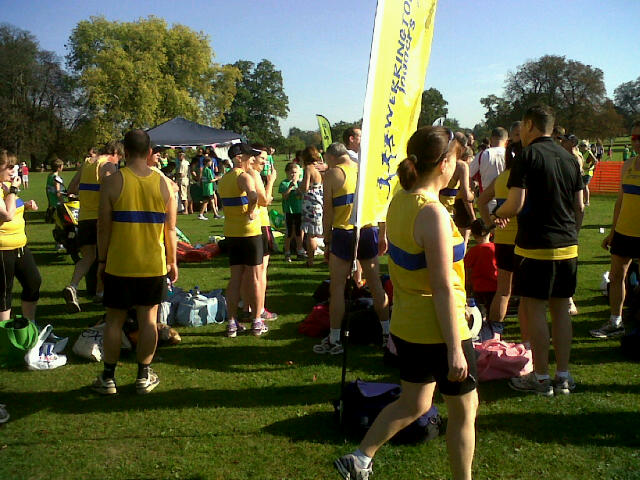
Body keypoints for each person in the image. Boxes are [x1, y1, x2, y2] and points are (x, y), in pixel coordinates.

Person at [334, 127, 477, 480]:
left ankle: (360, 458)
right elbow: (442, 286)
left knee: (415, 402)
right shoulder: (432, 213)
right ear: (444, 163)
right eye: (456, 158)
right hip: (439, 329)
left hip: (408, 325)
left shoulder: (400, 199)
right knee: (464, 412)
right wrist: (455, 349)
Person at [495, 105, 583, 396]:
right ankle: (563, 376)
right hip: (567, 244)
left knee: (534, 309)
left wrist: (496, 213)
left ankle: (541, 378)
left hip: (535, 246)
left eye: (522, 127)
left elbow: (515, 204)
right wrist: (572, 233)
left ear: (530, 125)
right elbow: (580, 205)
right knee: (561, 310)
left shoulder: (527, 155)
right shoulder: (569, 158)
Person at [91, 129, 177, 395]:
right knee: (149, 321)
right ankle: (143, 375)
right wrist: (173, 261)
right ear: (149, 152)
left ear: (125, 152)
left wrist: (101, 262)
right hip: (152, 265)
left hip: (119, 264)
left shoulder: (112, 182)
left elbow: (103, 227)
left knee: (114, 321)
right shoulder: (164, 184)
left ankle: (108, 378)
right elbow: (170, 229)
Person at [313, 142, 390, 355]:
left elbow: (328, 211)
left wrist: (327, 240)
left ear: (331, 157)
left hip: (343, 232)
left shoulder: (332, 174)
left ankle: (335, 337)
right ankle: (387, 333)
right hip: (368, 230)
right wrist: (383, 234)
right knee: (376, 284)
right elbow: (380, 206)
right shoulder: (365, 172)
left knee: (337, 288)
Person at [63, 141, 123, 311]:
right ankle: (100, 293)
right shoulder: (108, 165)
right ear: (115, 153)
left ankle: (73, 286)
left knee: (88, 257)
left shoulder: (87, 164)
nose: (118, 162)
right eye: (119, 158)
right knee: (105, 257)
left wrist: (84, 194)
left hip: (83, 218)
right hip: (101, 218)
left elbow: (71, 188)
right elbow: (111, 191)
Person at [594, 121, 640, 338]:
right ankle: (615, 321)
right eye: (634, 138)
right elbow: (620, 201)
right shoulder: (628, 165)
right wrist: (613, 232)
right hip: (623, 232)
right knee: (616, 276)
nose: (636, 142)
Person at [478, 137, 525, 341]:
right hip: (524, 241)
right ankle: (528, 339)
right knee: (527, 295)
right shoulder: (527, 178)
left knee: (503, 290)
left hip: (503, 239)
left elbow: (481, 201)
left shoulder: (501, 178)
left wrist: (490, 223)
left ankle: (494, 333)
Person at [218, 143, 267, 338]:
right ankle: (257, 320)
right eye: (249, 156)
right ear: (239, 158)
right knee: (254, 277)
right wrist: (252, 211)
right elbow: (253, 195)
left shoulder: (224, 179)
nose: (252, 159)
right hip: (249, 233)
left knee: (235, 278)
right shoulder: (244, 176)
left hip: (231, 232)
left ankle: (231, 322)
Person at [0, 150, 41, 322]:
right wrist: (14, 190)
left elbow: (11, 206)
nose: (13, 171)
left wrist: (24, 204)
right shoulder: (8, 188)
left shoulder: (6, 186)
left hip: (20, 246)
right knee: (4, 293)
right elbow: (7, 215)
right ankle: (4, 333)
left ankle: (29, 325)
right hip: (3, 249)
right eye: (9, 167)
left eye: (14, 167)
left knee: (33, 282)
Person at [239, 144, 278, 322]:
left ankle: (247, 306)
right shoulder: (253, 174)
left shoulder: (243, 174)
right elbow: (264, 200)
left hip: (248, 225)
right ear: (253, 158)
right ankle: (259, 309)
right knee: (260, 272)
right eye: (262, 158)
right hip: (261, 225)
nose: (264, 162)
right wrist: (271, 182)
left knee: (248, 271)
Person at [464, 219, 497, 323]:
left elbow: (468, 273)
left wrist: (467, 290)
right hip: (495, 286)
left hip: (478, 288)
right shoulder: (496, 249)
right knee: (494, 312)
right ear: (490, 233)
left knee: (479, 314)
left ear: (473, 235)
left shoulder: (472, 251)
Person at [299, 146, 324, 266]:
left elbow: (305, 187)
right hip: (319, 200)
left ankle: (310, 260)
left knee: (311, 233)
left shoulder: (309, 168)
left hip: (310, 203)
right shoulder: (320, 167)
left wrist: (298, 188)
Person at [468, 127, 508, 196]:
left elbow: (468, 174)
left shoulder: (482, 154)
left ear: (491, 139)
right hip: (507, 198)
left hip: (486, 198)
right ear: (506, 142)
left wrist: (473, 190)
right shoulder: (512, 155)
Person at [279, 162, 305, 262]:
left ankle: (300, 250)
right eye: (291, 173)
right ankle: (287, 251)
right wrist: (290, 187)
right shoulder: (284, 183)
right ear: (287, 173)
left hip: (299, 211)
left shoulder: (300, 183)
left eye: (295, 173)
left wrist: (297, 188)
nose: (293, 175)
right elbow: (285, 196)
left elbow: (302, 196)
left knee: (299, 232)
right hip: (289, 211)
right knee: (289, 232)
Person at [579, 140, 598, 206]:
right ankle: (582, 200)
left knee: (585, 186)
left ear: (587, 146)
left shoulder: (588, 152)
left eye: (584, 145)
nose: (583, 147)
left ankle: (587, 201)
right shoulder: (580, 153)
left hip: (588, 173)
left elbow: (595, 161)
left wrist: (589, 167)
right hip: (583, 172)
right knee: (582, 186)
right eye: (581, 145)